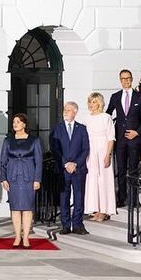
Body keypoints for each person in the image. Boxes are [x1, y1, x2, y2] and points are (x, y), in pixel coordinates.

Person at [106, 69, 141, 208]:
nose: (126, 81)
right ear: (120, 80)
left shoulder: (140, 97)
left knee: (134, 169)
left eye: (128, 78)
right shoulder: (115, 96)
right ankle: (122, 198)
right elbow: (108, 114)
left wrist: (137, 132)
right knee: (121, 169)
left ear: (132, 79)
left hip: (134, 139)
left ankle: (134, 199)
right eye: (123, 78)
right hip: (120, 139)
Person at [0, 113, 42, 248]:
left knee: (27, 208)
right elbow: (3, 161)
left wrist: (37, 179)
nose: (15, 124)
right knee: (15, 208)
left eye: (18, 122)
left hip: (28, 177)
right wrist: (3, 178)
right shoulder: (8, 141)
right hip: (13, 177)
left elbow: (39, 161)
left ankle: (26, 237)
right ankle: (17, 236)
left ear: (24, 124)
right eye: (14, 122)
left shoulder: (34, 140)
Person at [50, 101, 90, 235]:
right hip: (63, 169)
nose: (65, 112)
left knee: (79, 197)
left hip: (79, 169)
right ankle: (65, 225)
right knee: (64, 197)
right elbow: (54, 149)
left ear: (75, 112)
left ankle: (78, 224)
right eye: (64, 110)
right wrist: (66, 164)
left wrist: (75, 164)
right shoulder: (57, 128)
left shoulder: (82, 129)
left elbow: (85, 149)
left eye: (68, 110)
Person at [82, 92, 116, 222]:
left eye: (94, 102)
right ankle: (95, 209)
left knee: (103, 179)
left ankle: (104, 210)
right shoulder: (87, 119)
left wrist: (107, 154)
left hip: (103, 149)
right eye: (90, 102)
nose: (92, 104)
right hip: (91, 150)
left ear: (100, 103)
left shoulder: (106, 117)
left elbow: (111, 138)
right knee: (92, 179)